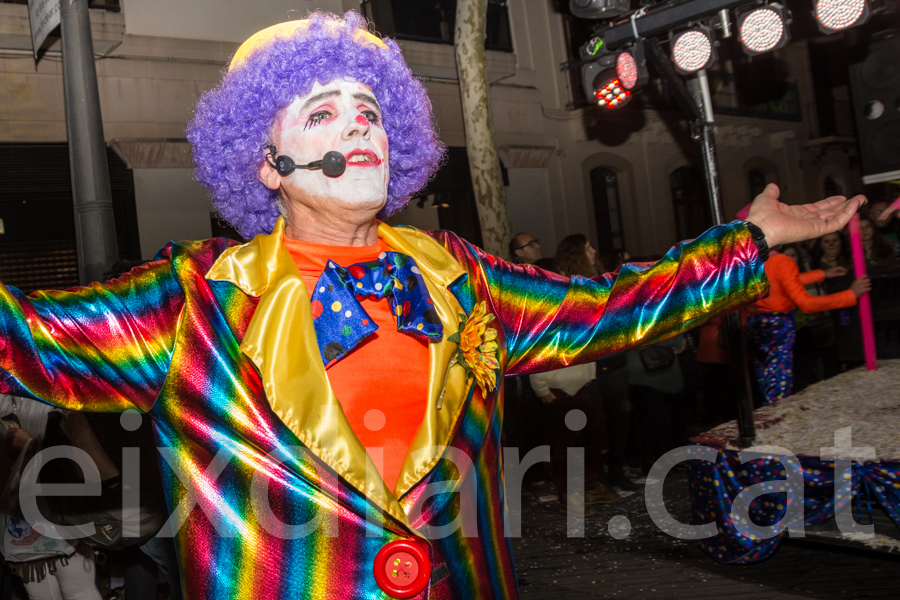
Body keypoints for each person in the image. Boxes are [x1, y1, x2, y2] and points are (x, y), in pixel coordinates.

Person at [0, 12, 866, 600]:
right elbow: (21, 336)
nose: (359, 128)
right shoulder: (194, 303)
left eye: (371, 110)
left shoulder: (459, 279)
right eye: (325, 112)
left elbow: (616, 303)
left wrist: (745, 241)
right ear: (264, 162)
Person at [529, 234, 620, 515]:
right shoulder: (562, 290)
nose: (594, 251)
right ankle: (568, 494)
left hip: (581, 380)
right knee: (567, 441)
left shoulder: (585, 289)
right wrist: (540, 386)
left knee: (593, 434)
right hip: (559, 385)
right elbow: (539, 341)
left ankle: (589, 487)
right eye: (588, 247)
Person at [747, 244, 870, 405]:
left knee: (765, 379)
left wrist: (822, 274)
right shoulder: (781, 260)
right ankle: (776, 420)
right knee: (779, 383)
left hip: (755, 323)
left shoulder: (751, 261)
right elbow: (806, 304)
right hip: (778, 324)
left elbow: (779, 280)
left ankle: (767, 418)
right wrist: (850, 295)